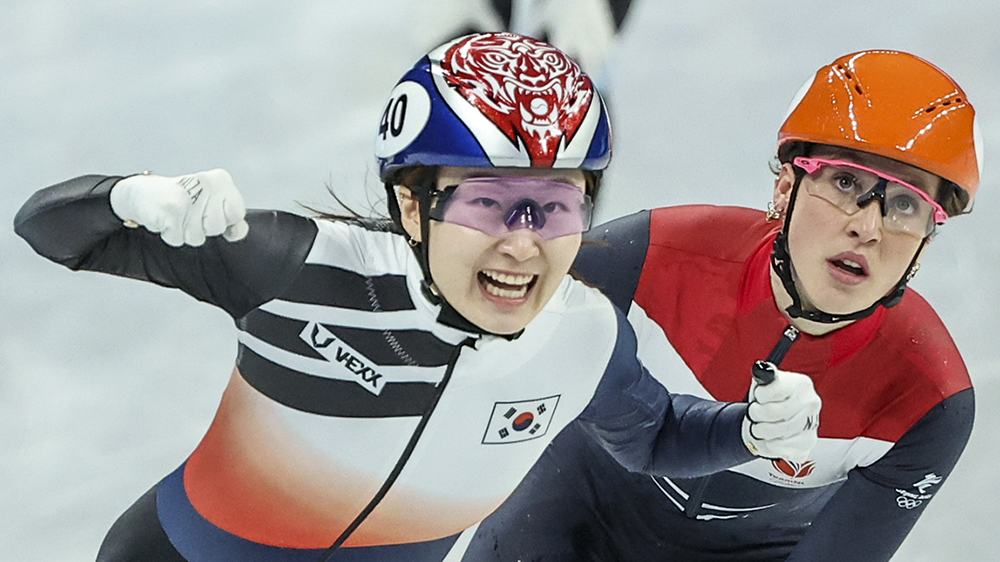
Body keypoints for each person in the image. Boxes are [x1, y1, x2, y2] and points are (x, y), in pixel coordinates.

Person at [13, 33, 821, 562]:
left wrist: (748, 431)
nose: (523, 240)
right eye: (484, 201)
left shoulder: (586, 338)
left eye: (558, 204)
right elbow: (47, 229)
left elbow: (654, 438)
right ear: (411, 204)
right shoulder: (297, 266)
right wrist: (126, 196)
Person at [466, 50, 980, 561]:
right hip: (566, 524)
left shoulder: (928, 401)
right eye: (846, 182)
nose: (867, 228)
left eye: (906, 205)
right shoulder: (643, 260)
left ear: (925, 242)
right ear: (786, 187)